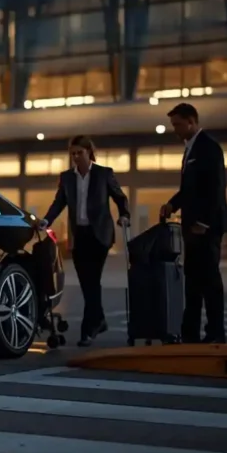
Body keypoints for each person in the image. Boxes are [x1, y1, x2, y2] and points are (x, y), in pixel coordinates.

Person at [41, 135, 130, 347]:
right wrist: (46, 220)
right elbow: (59, 202)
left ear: (89, 152)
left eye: (79, 153)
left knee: (92, 279)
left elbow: (120, 197)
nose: (75, 157)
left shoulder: (103, 174)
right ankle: (99, 320)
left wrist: (124, 215)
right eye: (72, 153)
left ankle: (88, 330)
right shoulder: (67, 177)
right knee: (87, 282)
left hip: (99, 234)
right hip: (79, 235)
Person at [159, 103, 227, 344]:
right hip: (193, 229)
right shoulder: (189, 149)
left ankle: (216, 333)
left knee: (209, 282)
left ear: (191, 122)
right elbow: (188, 190)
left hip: (206, 228)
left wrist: (204, 222)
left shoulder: (208, 148)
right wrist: (172, 205)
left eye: (178, 124)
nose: (175, 129)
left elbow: (216, 188)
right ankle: (190, 333)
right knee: (192, 282)